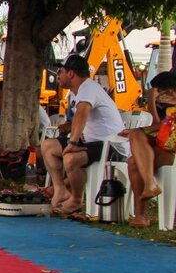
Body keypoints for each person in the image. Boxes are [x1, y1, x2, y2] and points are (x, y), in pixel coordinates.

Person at [42, 53, 129, 218]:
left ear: (71, 73)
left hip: (112, 145)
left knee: (70, 159)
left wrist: (73, 142)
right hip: (93, 142)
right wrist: (71, 130)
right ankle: (60, 191)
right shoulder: (77, 92)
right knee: (48, 146)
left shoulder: (88, 87)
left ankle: (76, 200)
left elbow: (82, 114)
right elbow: (79, 119)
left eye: (60, 71)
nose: (58, 75)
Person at [124, 71, 176, 227]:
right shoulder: (165, 105)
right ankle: (149, 185)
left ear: (170, 91)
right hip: (163, 144)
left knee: (134, 162)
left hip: (172, 151)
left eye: (157, 92)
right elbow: (158, 123)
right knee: (135, 135)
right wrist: (152, 102)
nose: (156, 96)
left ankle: (141, 214)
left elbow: (165, 127)